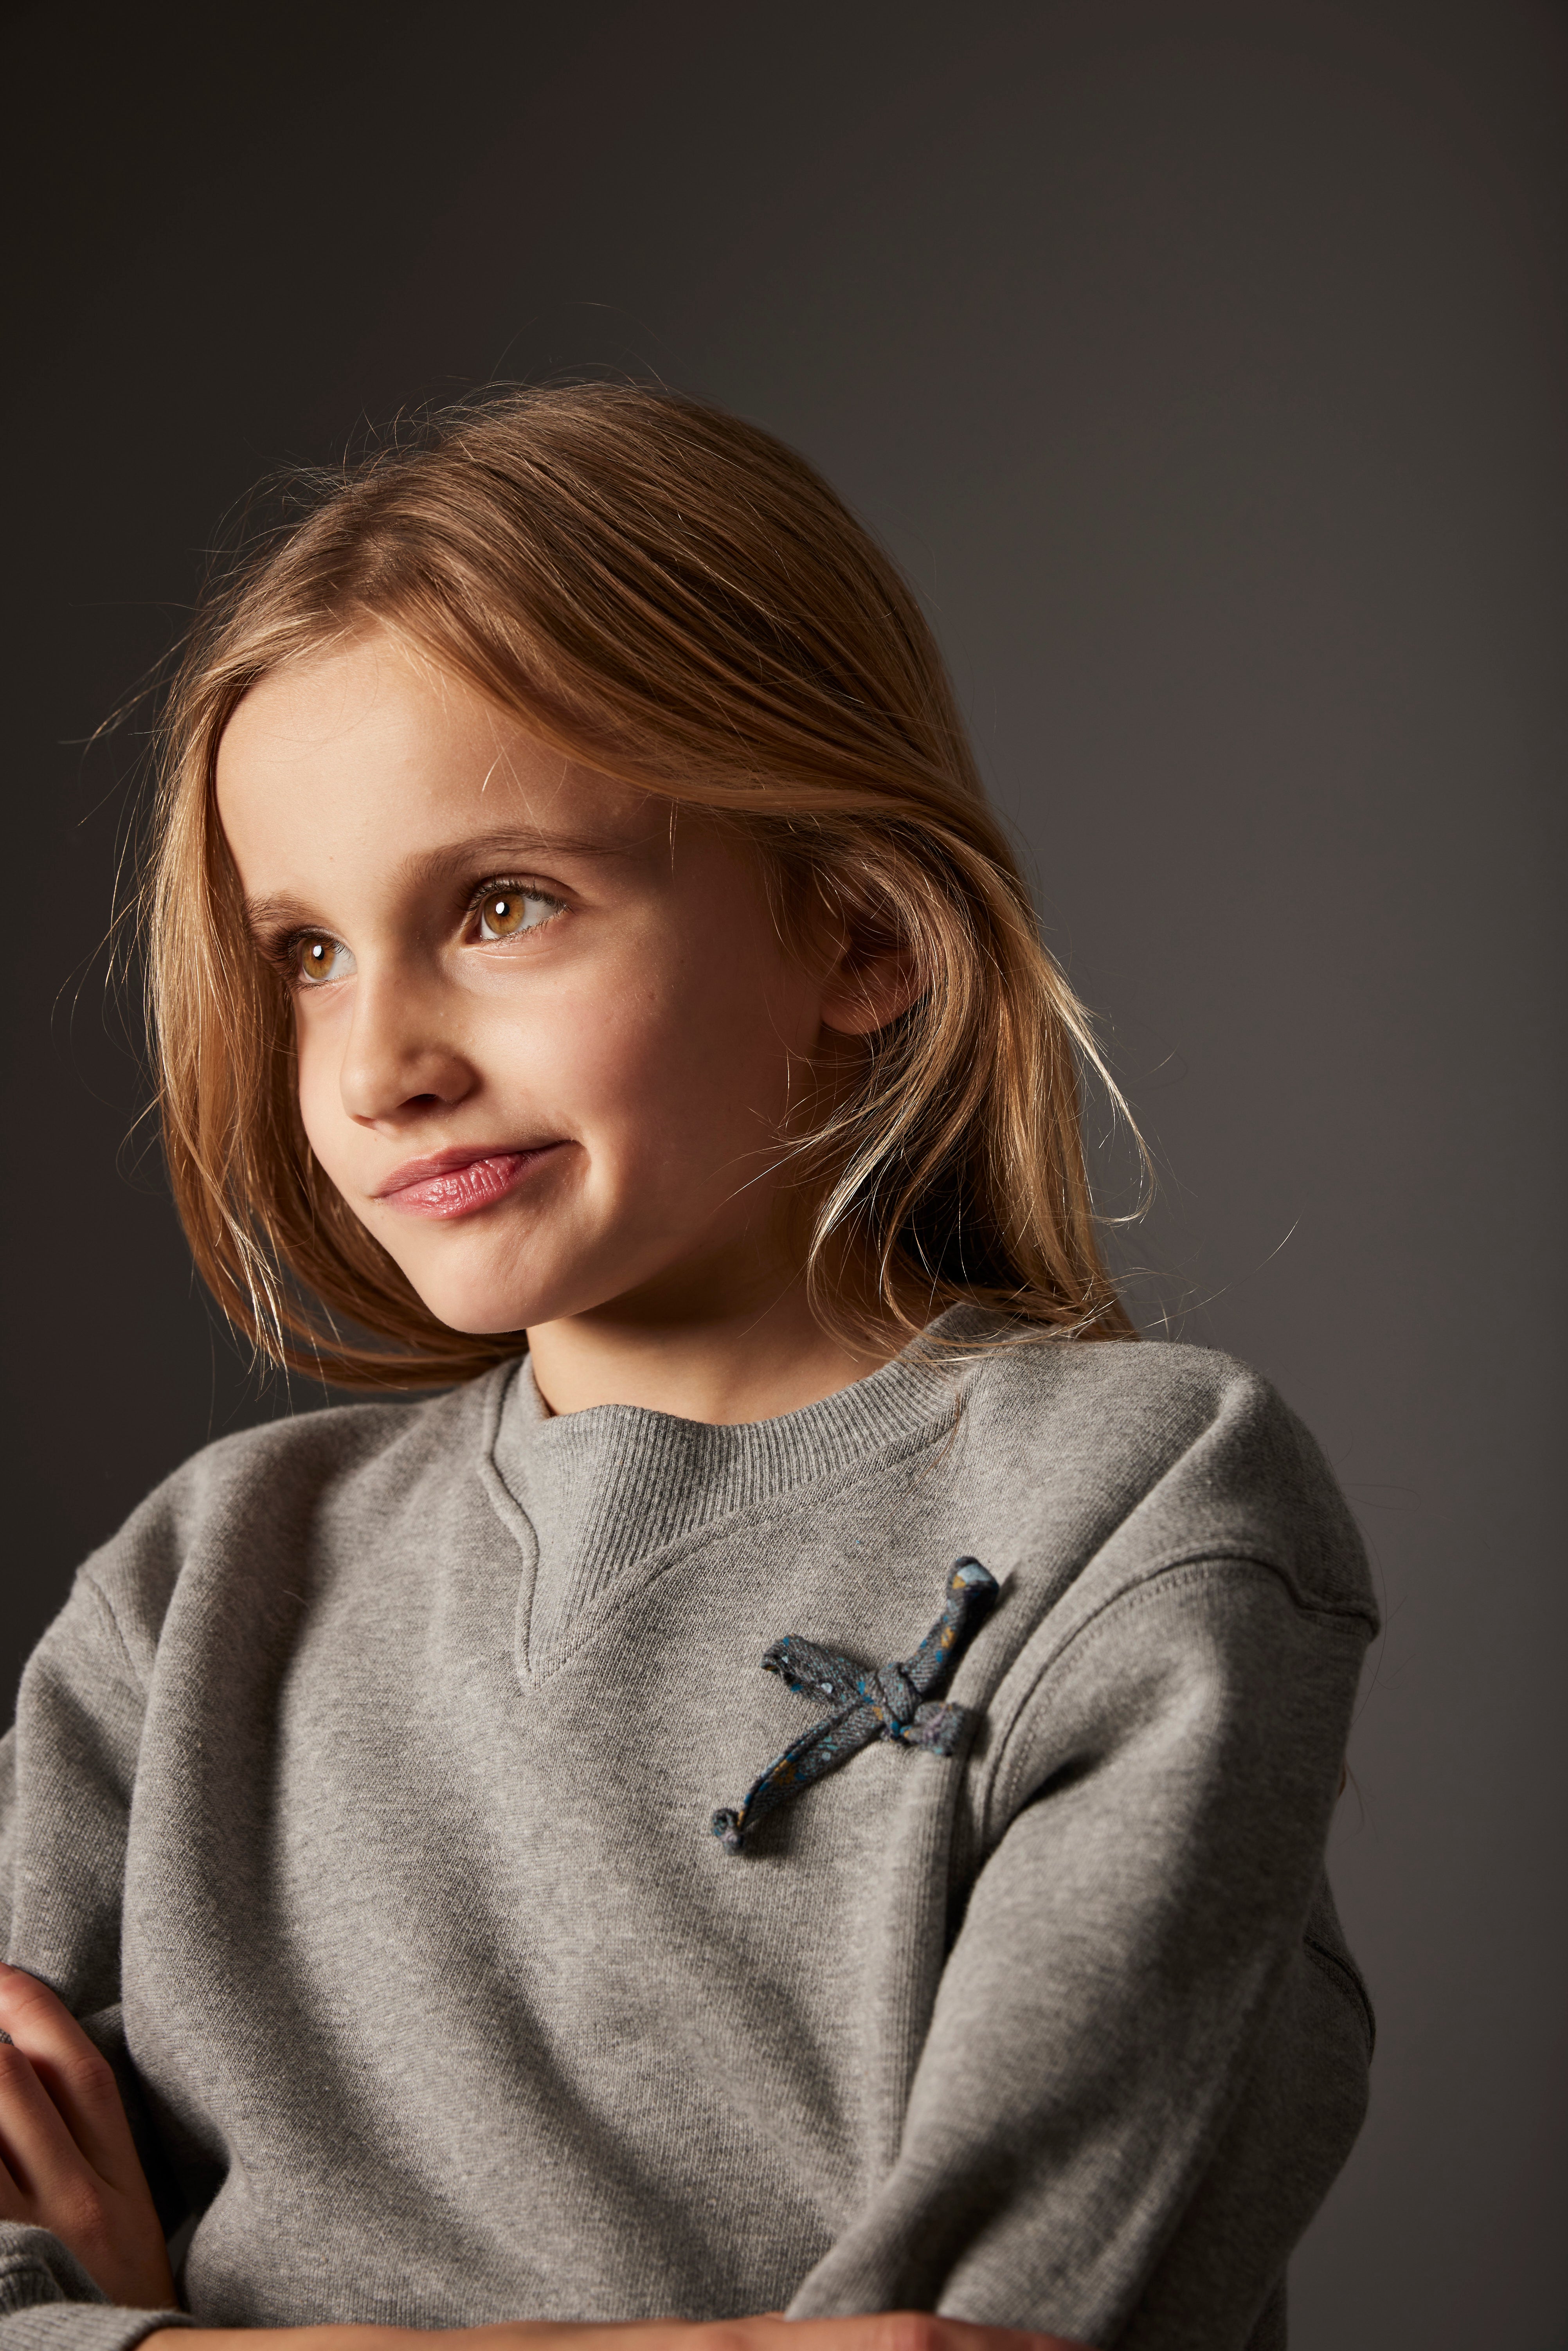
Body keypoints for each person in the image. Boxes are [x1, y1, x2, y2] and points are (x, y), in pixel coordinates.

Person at [0, 387, 1377, 2351]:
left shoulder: (1138, 1510)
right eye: (305, 951)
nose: (379, 1061)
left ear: (861, 927)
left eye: (502, 906)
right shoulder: (191, 1595)